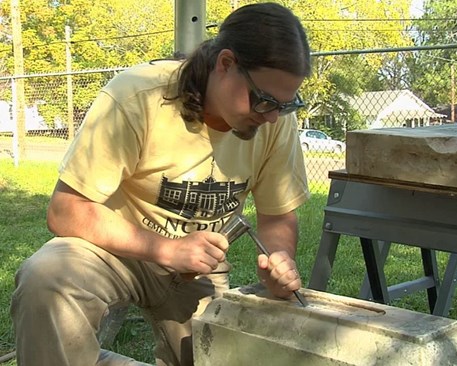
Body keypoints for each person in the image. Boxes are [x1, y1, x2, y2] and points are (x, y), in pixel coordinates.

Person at [10, 3, 311, 365]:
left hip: (198, 265)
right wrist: (168, 249)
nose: (273, 115)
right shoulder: (138, 96)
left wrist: (280, 263)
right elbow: (65, 211)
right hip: (115, 248)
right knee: (49, 278)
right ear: (226, 64)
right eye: (263, 100)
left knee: (217, 354)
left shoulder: (275, 124)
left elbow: (277, 216)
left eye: (285, 103)